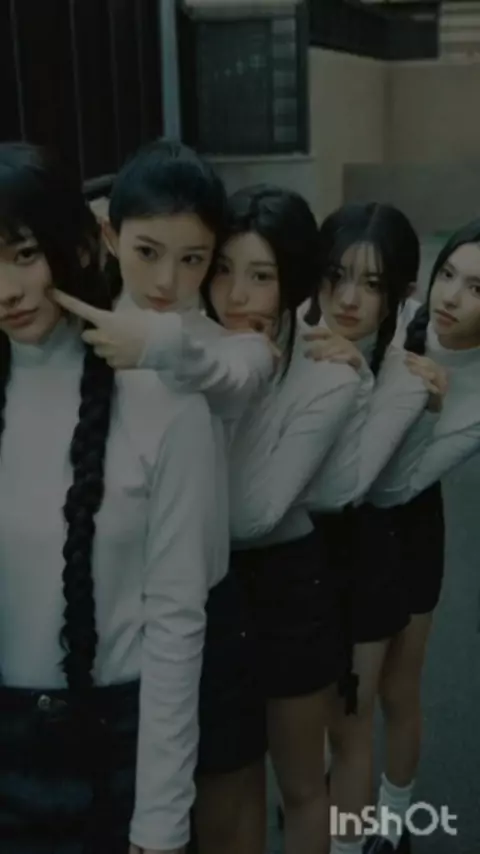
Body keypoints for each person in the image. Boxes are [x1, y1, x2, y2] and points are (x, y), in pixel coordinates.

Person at [55, 141, 283, 854]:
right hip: (108, 629)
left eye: (193, 260)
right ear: (110, 235)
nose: (167, 280)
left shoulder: (230, 346)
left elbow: (232, 377)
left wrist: (157, 345)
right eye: (148, 251)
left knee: (224, 816)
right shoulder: (67, 335)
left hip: (207, 613)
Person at [0, 141, 228, 854]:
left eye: (24, 254)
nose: (5, 289)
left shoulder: (166, 402)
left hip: (118, 749)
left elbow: (177, 625)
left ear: (80, 245)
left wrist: (160, 825)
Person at [208, 185, 367, 854]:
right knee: (227, 785)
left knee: (301, 786)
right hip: (207, 591)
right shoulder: (194, 346)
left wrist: (236, 382)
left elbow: (253, 515)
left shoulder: (331, 375)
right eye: (222, 269)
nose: (236, 295)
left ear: (293, 281)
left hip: (286, 590)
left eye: (262, 276)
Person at [296, 203, 447, 854]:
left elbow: (353, 484)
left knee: (357, 720)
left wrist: (362, 375)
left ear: (400, 293)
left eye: (373, 284)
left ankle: (368, 832)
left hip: (372, 548)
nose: (349, 299)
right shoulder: (291, 332)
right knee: (315, 727)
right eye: (336, 276)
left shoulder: (406, 370)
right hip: (299, 555)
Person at [365, 219, 480, 853]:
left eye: (477, 288)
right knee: (340, 685)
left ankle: (392, 821)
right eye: (449, 274)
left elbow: (399, 486)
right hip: (345, 511)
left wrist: (429, 408)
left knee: (397, 686)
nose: (452, 297)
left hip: (406, 521)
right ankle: (335, 795)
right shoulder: (397, 316)